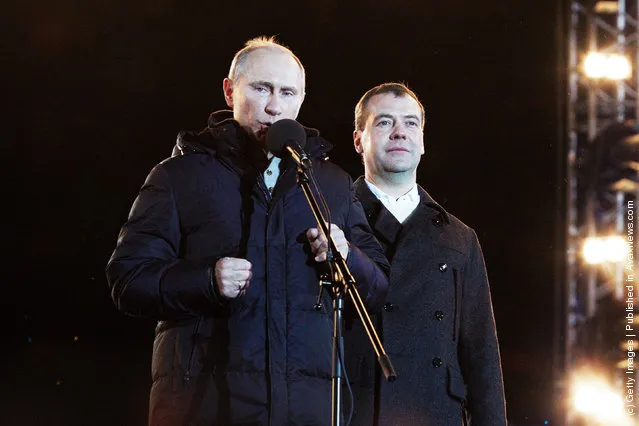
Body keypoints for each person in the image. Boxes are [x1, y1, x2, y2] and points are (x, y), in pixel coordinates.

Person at [105, 37, 390, 426]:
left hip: (308, 412)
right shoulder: (178, 176)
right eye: (261, 88)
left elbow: (378, 287)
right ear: (229, 91)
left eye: (287, 93)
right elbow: (128, 279)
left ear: (300, 101)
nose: (274, 106)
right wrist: (206, 279)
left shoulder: (332, 184)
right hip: (203, 408)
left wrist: (349, 257)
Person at [345, 82, 506, 425]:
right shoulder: (331, 221)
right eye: (385, 122)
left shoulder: (460, 238)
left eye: (411, 123)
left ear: (422, 142)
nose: (400, 133)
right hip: (355, 410)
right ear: (359, 139)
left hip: (435, 412)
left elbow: (481, 355)